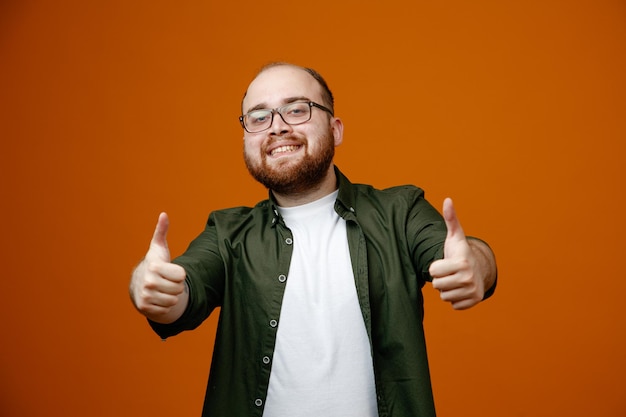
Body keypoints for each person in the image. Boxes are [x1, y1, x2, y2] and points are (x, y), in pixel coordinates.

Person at [129, 62, 497, 417]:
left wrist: (475, 267)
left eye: (296, 110)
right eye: (259, 117)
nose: (277, 127)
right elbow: (181, 290)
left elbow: (462, 255)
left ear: (336, 129)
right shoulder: (227, 233)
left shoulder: (399, 211)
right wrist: (149, 286)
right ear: (246, 137)